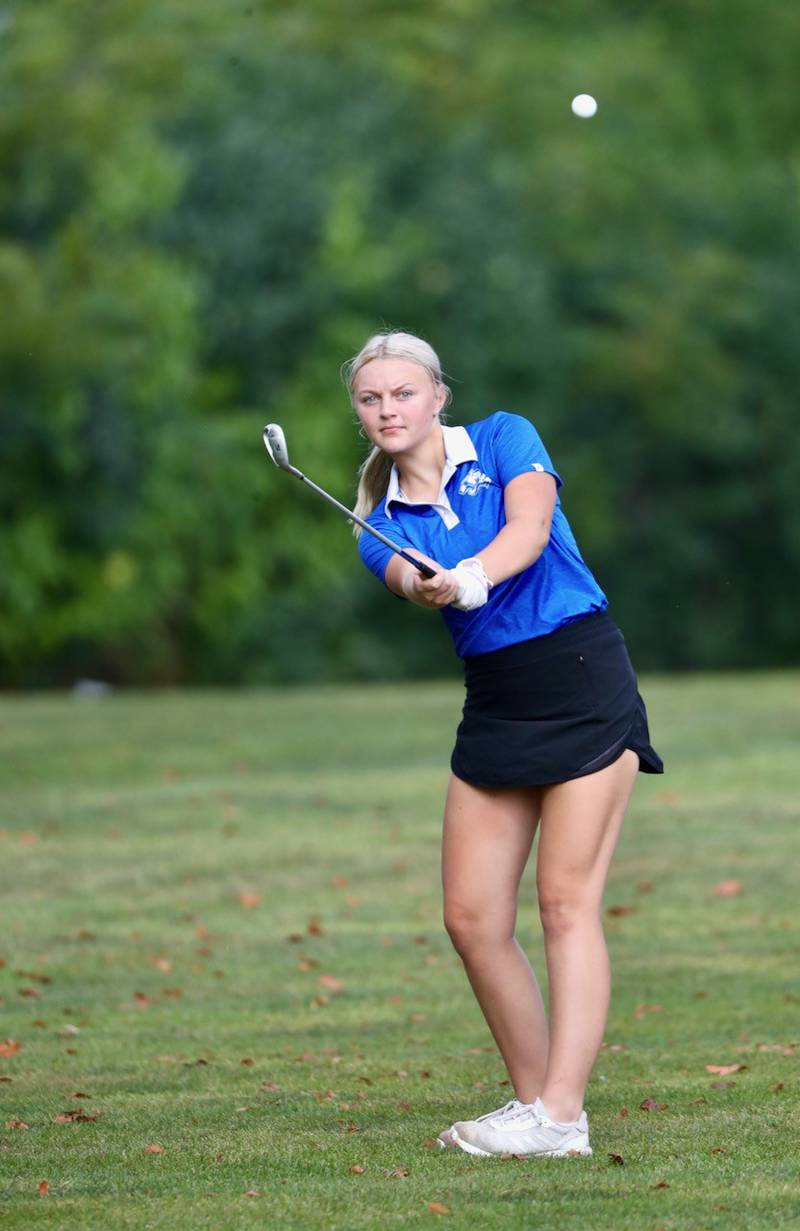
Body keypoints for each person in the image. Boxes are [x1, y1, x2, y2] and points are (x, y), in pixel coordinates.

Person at [344, 329, 663, 1159]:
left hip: (580, 671)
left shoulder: (504, 437)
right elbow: (407, 581)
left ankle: (563, 1113)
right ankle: (535, 1105)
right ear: (360, 410)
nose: (389, 409)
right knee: (472, 917)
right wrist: (429, 582)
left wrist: (473, 575)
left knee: (565, 903)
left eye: (403, 392)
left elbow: (530, 526)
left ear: (437, 395)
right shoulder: (378, 522)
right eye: (372, 398)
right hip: (498, 699)